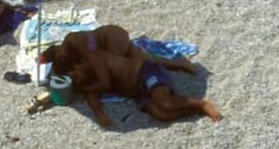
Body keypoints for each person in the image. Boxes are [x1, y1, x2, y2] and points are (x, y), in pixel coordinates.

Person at [74, 36, 220, 126]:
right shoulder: (88, 82)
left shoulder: (98, 59)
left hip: (146, 72)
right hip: (137, 92)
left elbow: (146, 60)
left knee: (165, 102)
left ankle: (202, 104)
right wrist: (99, 114)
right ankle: (195, 109)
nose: (76, 77)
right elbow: (91, 97)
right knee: (160, 114)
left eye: (75, 72)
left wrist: (178, 64)